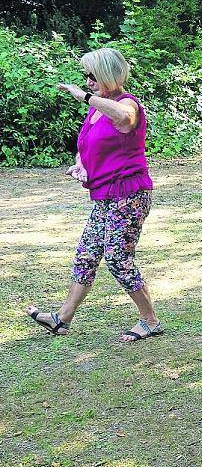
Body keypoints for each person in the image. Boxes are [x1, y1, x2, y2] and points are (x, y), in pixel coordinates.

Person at [25, 47, 162, 343]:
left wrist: (85, 96)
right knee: (87, 255)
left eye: (91, 76)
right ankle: (62, 319)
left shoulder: (128, 104)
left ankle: (149, 320)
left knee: (117, 258)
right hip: (105, 195)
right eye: (85, 77)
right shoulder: (96, 109)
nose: (87, 81)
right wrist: (81, 164)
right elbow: (87, 143)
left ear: (107, 75)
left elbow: (124, 119)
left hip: (129, 194)